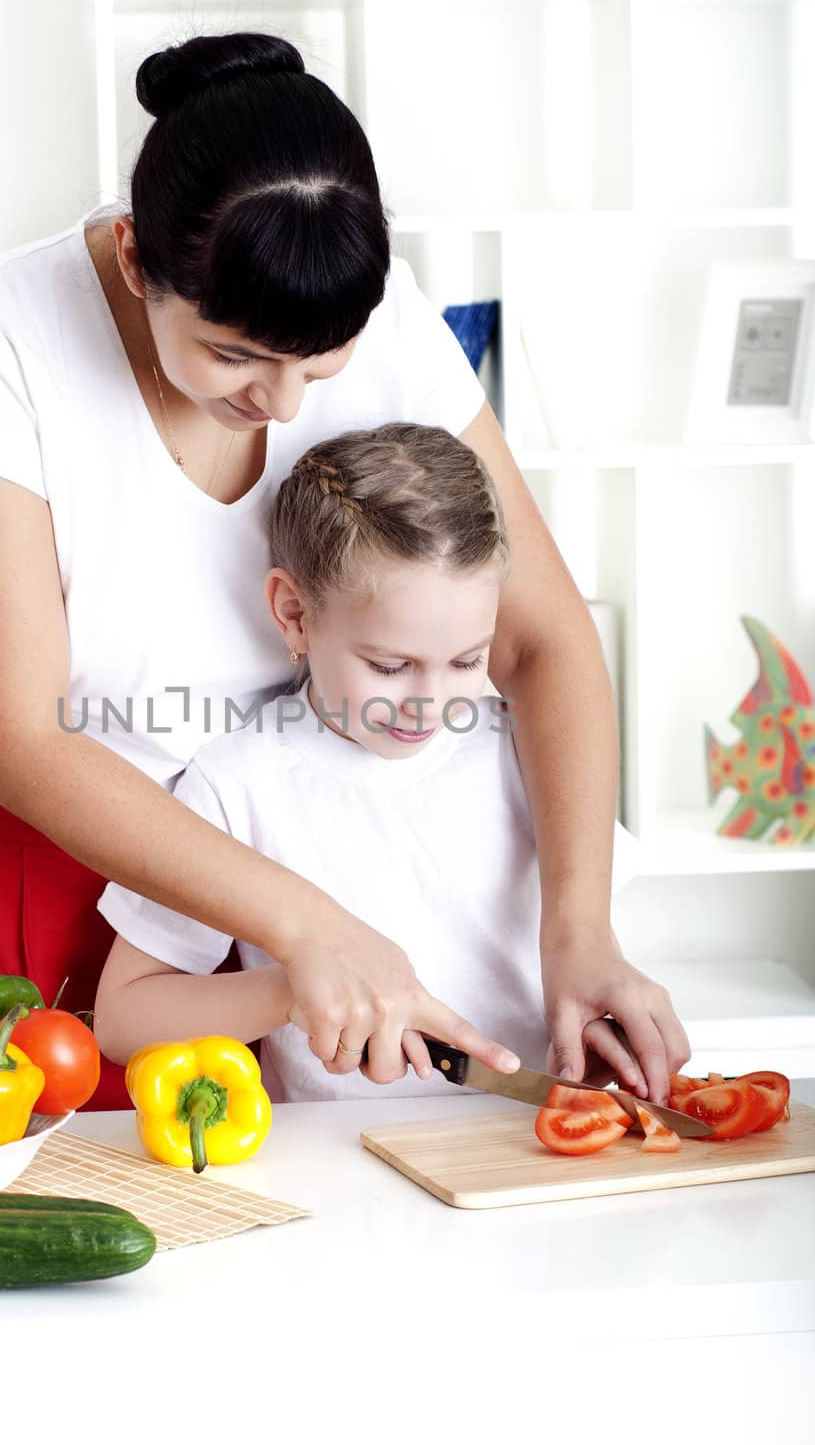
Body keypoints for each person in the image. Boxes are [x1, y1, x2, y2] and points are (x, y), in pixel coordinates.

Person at [0, 30, 689, 1113]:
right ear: (133, 257)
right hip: (29, 872)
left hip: (284, 882)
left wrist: (578, 929)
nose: (286, 402)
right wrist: (301, 922)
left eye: (322, 362)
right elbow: (16, 731)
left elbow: (537, 636)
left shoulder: (370, 308)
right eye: (235, 355)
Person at [93, 424, 654, 1099]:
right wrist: (290, 987)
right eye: (390, 666)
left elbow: (599, 943)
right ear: (294, 613)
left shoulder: (527, 751)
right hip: (345, 1167)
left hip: (532, 1144)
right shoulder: (237, 783)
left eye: (467, 660)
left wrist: (607, 1033)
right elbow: (123, 1018)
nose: (430, 702)